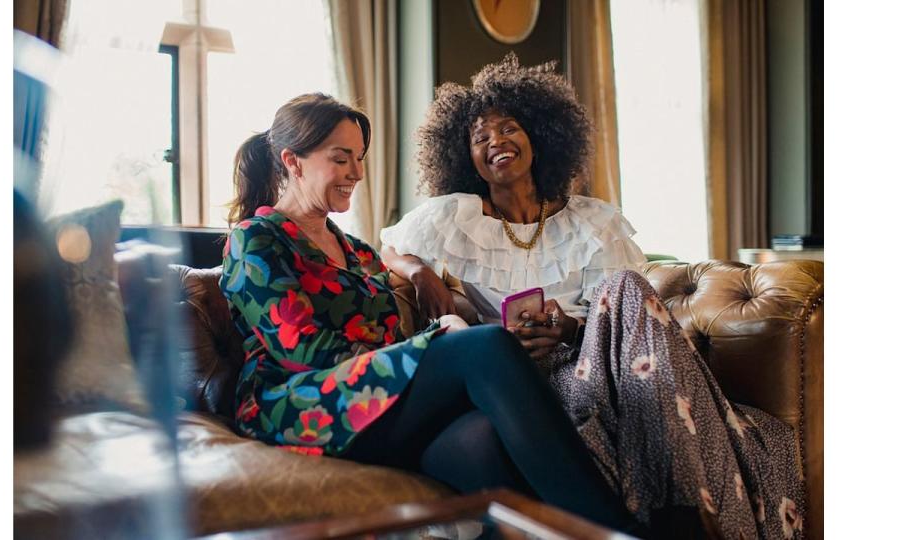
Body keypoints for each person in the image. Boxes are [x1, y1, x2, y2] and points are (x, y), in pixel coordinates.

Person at [380, 55, 804, 539]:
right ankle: (679, 512)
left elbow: (626, 320)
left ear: (539, 136)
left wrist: (571, 328)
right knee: (618, 296)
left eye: (509, 128)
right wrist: (417, 270)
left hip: (593, 367)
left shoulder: (595, 221)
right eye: (480, 138)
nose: (496, 141)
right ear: (466, 158)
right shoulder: (451, 217)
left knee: (623, 286)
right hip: (517, 384)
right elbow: (385, 250)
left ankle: (681, 508)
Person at [219, 93, 637, 531]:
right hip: (300, 407)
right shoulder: (256, 239)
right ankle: (615, 531)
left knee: (483, 440)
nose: (357, 174)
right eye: (341, 159)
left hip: (377, 403)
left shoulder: (358, 253)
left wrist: (442, 325)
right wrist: (438, 342)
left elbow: (390, 343)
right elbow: (303, 351)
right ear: (293, 161)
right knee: (487, 345)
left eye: (359, 159)